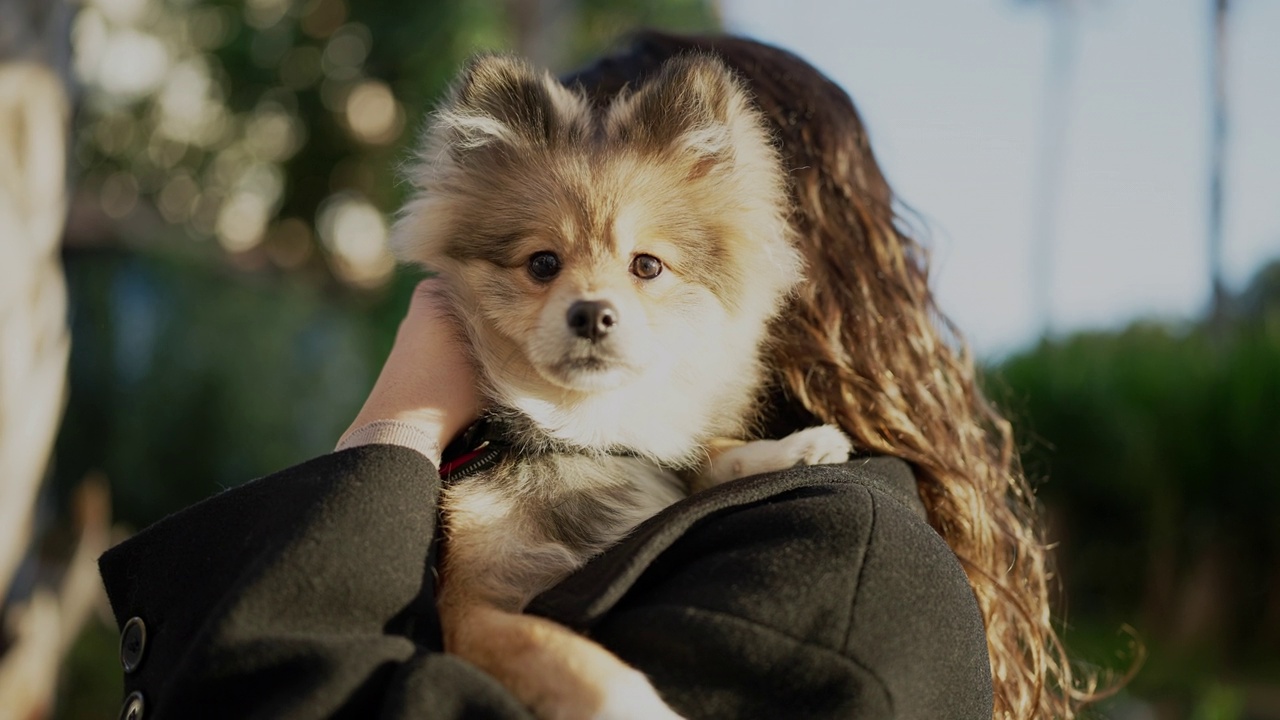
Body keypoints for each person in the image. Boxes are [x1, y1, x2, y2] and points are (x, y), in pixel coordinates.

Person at [98, 33, 1088, 720]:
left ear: (791, 258)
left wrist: (391, 429)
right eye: (542, 262)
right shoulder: (730, 504)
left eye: (645, 266)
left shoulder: (832, 558)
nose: (593, 296)